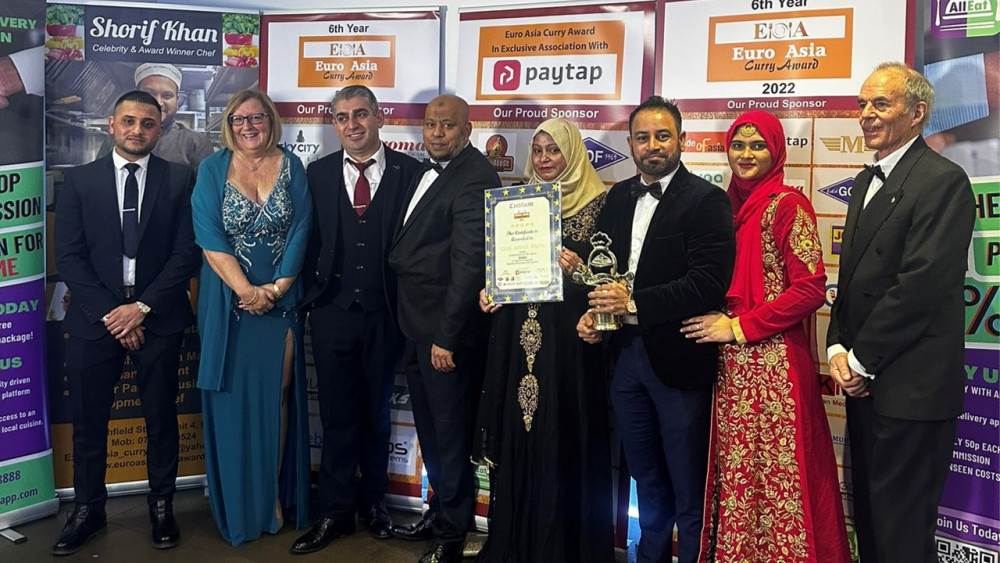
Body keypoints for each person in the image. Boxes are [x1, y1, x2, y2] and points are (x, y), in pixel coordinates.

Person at [681, 110, 851, 563]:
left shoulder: (788, 205)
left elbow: (811, 288)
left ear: (776, 151)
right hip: (731, 367)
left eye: (758, 145)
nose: (746, 155)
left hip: (775, 368)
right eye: (738, 145)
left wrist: (739, 326)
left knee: (780, 477)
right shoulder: (722, 207)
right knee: (741, 475)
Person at [827, 62, 975, 563]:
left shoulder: (943, 181)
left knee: (902, 535)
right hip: (864, 386)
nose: (867, 115)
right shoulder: (866, 179)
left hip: (911, 391)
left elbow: (922, 286)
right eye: (863, 104)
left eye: (880, 104)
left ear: (917, 113)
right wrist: (837, 347)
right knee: (869, 524)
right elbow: (851, 282)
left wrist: (860, 359)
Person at [577, 96, 735, 563]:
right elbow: (602, 271)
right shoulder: (617, 197)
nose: (653, 146)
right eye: (643, 138)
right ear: (629, 143)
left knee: (688, 485)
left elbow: (707, 283)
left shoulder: (708, 200)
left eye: (663, 136)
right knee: (644, 478)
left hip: (680, 361)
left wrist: (634, 303)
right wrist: (595, 315)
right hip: (625, 359)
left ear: (682, 140)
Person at [53, 90, 200, 555]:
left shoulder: (180, 179)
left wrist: (142, 309)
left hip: (158, 317)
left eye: (148, 123)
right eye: (129, 122)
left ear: (160, 129)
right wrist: (115, 314)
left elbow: (186, 253)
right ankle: (88, 509)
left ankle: (162, 507)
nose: (138, 130)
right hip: (96, 320)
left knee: (162, 418)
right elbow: (70, 257)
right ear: (112, 125)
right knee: (89, 421)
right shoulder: (78, 181)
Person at [474, 117, 613, 562]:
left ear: (573, 152)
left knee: (565, 435)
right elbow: (503, 266)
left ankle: (565, 550)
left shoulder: (603, 203)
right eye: (538, 151)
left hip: (571, 345)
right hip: (518, 341)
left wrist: (578, 272)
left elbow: (612, 282)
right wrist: (489, 288)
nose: (545, 159)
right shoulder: (519, 200)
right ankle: (517, 543)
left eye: (554, 150)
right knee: (522, 433)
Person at [290, 86, 421, 554]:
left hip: (386, 314)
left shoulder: (412, 172)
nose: (353, 125)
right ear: (334, 124)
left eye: (361, 114)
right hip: (332, 314)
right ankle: (335, 513)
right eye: (342, 117)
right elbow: (305, 239)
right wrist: (312, 295)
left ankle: (376, 506)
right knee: (336, 416)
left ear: (379, 117)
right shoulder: (317, 173)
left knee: (378, 416)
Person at [191, 89, 313, 546]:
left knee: (275, 398)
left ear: (270, 121)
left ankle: (270, 498)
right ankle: (241, 504)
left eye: (256, 118)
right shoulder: (211, 169)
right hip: (229, 304)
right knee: (231, 402)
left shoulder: (293, 167)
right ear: (229, 124)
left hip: (281, 301)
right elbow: (208, 235)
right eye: (239, 119)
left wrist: (277, 288)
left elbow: (302, 229)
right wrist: (246, 291)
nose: (248, 126)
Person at [387, 94, 501, 563]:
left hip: (443, 334)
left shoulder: (475, 176)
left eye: (447, 126)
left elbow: (469, 266)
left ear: (467, 130)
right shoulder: (427, 170)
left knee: (451, 435)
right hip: (415, 326)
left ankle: (453, 534)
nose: (436, 133)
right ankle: (439, 513)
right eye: (431, 124)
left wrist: (447, 337)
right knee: (432, 433)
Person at [99, 63, 215, 169]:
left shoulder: (196, 143)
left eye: (167, 96)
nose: (158, 102)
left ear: (177, 101)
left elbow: (205, 189)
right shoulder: (117, 138)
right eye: (150, 94)